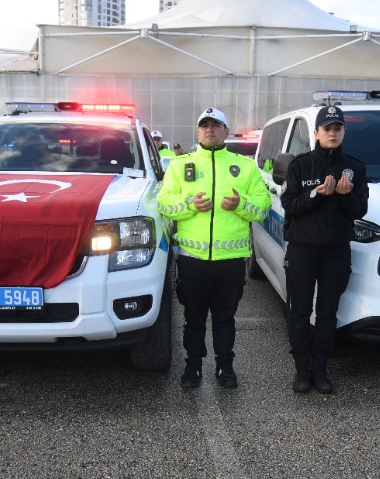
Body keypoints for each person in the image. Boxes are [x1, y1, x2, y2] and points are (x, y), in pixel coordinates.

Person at [157, 106, 271, 388]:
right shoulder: (179, 165)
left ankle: (225, 367)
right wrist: (188, 205)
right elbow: (163, 203)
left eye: (216, 125)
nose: (210, 129)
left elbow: (263, 207)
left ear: (226, 131)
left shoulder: (244, 167)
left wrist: (241, 205)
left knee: (225, 319)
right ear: (197, 132)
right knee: (193, 319)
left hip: (230, 260)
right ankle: (193, 367)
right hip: (192, 259)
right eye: (205, 125)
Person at [281, 104, 367, 394]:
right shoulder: (300, 165)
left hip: (336, 251)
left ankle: (321, 370)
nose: (332, 133)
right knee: (299, 311)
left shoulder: (355, 167)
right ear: (316, 133)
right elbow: (289, 205)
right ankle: (302, 371)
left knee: (328, 312)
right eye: (327, 129)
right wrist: (316, 193)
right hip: (303, 250)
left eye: (337, 128)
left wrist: (344, 196)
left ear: (343, 132)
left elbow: (359, 210)